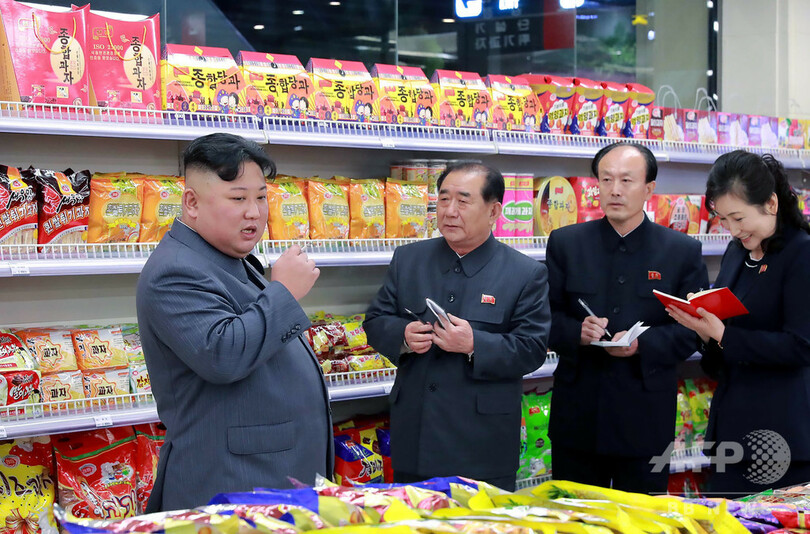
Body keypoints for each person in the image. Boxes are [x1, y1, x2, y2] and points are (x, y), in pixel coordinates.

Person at [136, 133, 332, 511]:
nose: (254, 212)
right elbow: (223, 355)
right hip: (233, 483)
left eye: (261, 197)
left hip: (270, 476)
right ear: (192, 202)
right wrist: (284, 292)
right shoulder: (174, 271)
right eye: (238, 199)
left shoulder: (228, 257)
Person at [363, 162, 551, 491]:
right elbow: (376, 320)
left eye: (463, 201)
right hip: (415, 437)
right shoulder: (408, 259)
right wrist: (403, 336)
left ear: (493, 212)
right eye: (443, 199)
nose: (450, 211)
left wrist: (474, 344)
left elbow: (532, 349)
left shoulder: (525, 273)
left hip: (482, 444)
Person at [546, 142, 709, 494]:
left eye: (626, 180)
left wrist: (642, 344)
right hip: (578, 416)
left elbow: (694, 332)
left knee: (641, 514)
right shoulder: (566, 243)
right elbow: (544, 318)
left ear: (649, 189)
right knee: (574, 515)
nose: (614, 190)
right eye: (606, 180)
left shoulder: (681, 251)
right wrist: (577, 332)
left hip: (645, 418)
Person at [666, 150, 810, 495]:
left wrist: (723, 335)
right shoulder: (737, 252)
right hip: (731, 427)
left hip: (783, 431)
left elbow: (801, 346)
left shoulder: (801, 254)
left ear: (771, 203)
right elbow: (725, 343)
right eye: (723, 219)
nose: (732, 230)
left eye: (738, 218)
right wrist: (704, 329)